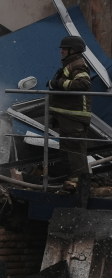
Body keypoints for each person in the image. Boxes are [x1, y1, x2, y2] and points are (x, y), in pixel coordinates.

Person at [48, 35, 92, 207]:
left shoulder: (78, 64)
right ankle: (73, 184)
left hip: (74, 117)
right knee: (67, 151)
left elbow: (83, 84)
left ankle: (80, 187)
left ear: (74, 50)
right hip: (67, 116)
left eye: (65, 49)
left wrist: (58, 83)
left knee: (74, 151)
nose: (61, 51)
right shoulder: (70, 65)